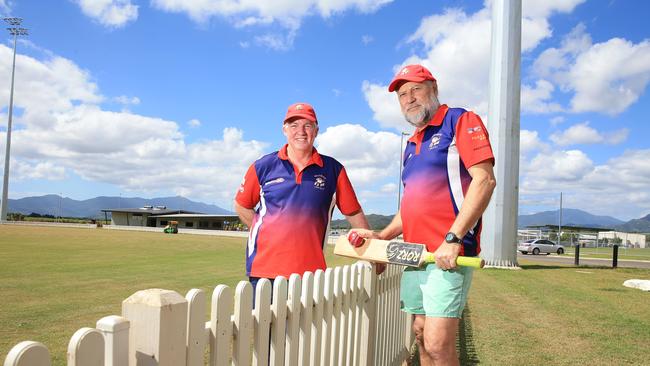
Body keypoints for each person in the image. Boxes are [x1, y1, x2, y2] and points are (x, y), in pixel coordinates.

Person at [352, 64, 496, 366]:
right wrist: (382, 236)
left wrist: (453, 238)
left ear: (433, 88)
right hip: (415, 255)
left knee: (437, 343)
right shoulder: (411, 143)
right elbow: (410, 209)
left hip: (447, 256)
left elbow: (484, 180)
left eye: (415, 89)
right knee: (420, 334)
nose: (409, 99)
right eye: (402, 95)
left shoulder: (459, 121)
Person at [234, 102, 370, 293]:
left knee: (304, 324)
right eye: (294, 125)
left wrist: (373, 250)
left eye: (307, 125)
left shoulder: (333, 169)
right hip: (264, 271)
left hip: (310, 273)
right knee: (264, 323)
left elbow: (354, 212)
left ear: (316, 130)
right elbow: (242, 205)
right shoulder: (263, 166)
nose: (301, 131)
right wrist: (266, 231)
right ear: (284, 129)